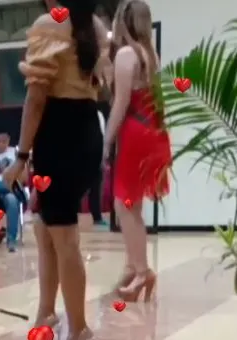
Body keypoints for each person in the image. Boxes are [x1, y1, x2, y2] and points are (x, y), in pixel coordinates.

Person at [3, 0, 112, 340]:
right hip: (82, 128)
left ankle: (78, 325)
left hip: (60, 134)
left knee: (62, 236)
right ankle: (46, 315)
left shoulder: (49, 24)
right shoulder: (94, 25)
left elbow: (36, 98)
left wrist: (20, 156)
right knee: (45, 228)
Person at [103, 0, 171, 300]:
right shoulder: (149, 54)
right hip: (153, 131)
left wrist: (107, 139)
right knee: (133, 204)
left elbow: (120, 104)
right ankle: (133, 266)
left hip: (134, 133)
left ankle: (142, 271)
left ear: (123, 22)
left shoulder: (127, 54)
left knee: (124, 205)